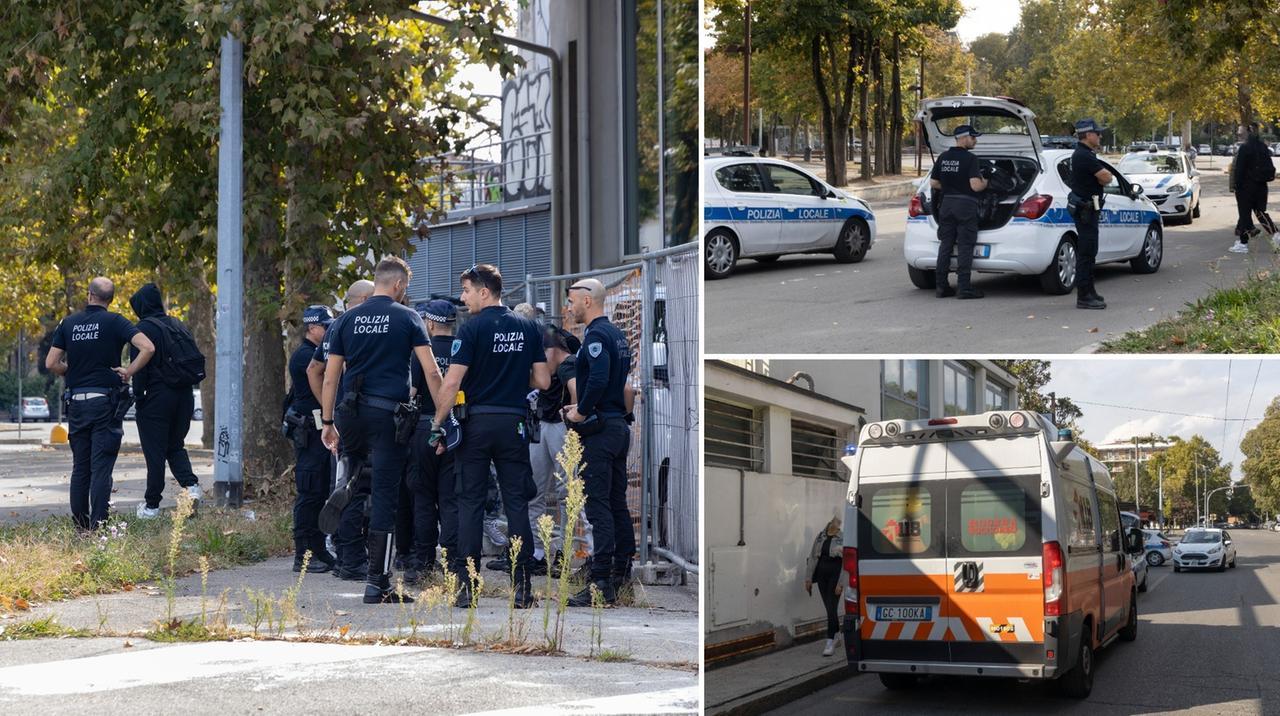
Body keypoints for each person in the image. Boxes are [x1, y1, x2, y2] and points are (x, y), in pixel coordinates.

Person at [320, 258, 444, 604]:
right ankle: (378, 583)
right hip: (388, 414)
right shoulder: (408, 317)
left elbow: (330, 376)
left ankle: (350, 478)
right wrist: (442, 419)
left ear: (375, 282)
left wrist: (327, 423)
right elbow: (431, 373)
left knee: (356, 467)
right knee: (386, 497)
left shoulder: (345, 319)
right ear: (400, 285)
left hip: (350, 413)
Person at [431, 264, 550, 608]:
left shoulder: (471, 330)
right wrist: (513, 381)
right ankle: (523, 588)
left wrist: (438, 424)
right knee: (516, 503)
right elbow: (542, 381)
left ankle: (467, 587)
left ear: (485, 292)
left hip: (476, 424)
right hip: (513, 424)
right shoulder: (528, 327)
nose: (464, 299)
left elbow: (451, 382)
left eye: (467, 291)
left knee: (470, 503)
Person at [46, 277, 155, 530]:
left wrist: (70, 372)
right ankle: (99, 528)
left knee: (80, 468)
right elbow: (147, 347)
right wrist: (129, 371)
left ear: (89, 295)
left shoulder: (68, 323)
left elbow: (51, 363)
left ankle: (81, 528)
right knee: (101, 469)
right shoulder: (115, 321)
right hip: (105, 403)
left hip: (76, 404)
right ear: (111, 299)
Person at [563, 278, 633, 607]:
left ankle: (601, 583)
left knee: (599, 506)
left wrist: (581, 411)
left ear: (588, 301)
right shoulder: (617, 334)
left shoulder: (595, 335)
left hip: (601, 430)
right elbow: (622, 384)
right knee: (617, 504)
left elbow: (601, 378)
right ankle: (622, 575)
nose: (569, 307)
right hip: (617, 426)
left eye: (572, 301)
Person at [309, 279, 373, 580]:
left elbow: (316, 370)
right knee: (362, 488)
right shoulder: (359, 324)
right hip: (367, 413)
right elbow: (320, 372)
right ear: (363, 298)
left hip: (344, 415)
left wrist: (328, 413)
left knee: (348, 483)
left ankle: (347, 555)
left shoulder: (336, 326)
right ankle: (358, 557)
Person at [128, 283, 203, 520]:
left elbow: (139, 370)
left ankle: (151, 507)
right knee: (175, 445)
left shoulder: (142, 329)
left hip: (157, 397)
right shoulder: (177, 324)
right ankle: (191, 488)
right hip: (184, 395)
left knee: (155, 453)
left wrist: (139, 399)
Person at [402, 299, 461, 585]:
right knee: (450, 498)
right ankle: (452, 561)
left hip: (425, 425)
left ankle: (423, 561)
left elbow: (412, 392)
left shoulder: (421, 352)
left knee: (423, 497)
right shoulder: (463, 348)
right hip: (456, 428)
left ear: (431, 323)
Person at [285, 305, 338, 573]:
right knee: (309, 493)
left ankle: (318, 550)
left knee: (319, 494)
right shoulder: (305, 357)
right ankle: (303, 554)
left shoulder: (316, 353)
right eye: (325, 327)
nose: (329, 331)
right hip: (309, 433)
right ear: (312, 328)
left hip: (318, 433)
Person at [929, 124, 988, 299]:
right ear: (963, 138)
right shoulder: (971, 159)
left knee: (945, 245)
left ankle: (941, 287)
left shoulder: (943, 157)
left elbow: (933, 183)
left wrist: (949, 187)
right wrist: (987, 183)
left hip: (946, 205)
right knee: (965, 245)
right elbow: (975, 186)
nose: (975, 140)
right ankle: (964, 288)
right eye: (973, 137)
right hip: (965, 206)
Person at [1067, 118, 1114, 310]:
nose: (1100, 136)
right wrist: (1103, 178)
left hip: (1089, 209)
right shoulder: (1083, 155)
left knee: (1090, 251)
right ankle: (1084, 295)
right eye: (1097, 133)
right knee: (1086, 252)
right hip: (1085, 210)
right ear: (1087, 135)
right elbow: (1107, 177)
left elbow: (1103, 178)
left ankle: (1090, 291)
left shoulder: (1085, 154)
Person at [1229, 123, 1278, 253]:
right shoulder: (1263, 147)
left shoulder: (1245, 148)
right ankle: (1276, 235)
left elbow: (1239, 170)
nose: (1239, 135)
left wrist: (1236, 186)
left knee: (1244, 214)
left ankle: (1243, 244)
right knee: (1260, 213)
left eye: (1240, 133)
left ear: (1247, 133)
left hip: (1246, 187)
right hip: (1261, 186)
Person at [805, 516, 845, 657]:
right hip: (822, 575)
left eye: (838, 522)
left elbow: (846, 562)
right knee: (829, 608)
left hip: (835, 574)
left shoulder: (843, 537)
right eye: (834, 521)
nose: (836, 524)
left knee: (831, 607)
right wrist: (808, 578)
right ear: (829, 523)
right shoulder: (820, 536)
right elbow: (813, 557)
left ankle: (830, 641)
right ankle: (837, 634)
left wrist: (841, 583)